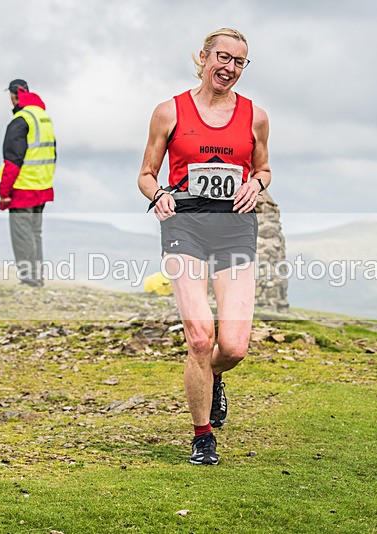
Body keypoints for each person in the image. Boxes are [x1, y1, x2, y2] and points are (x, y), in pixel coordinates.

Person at [137, 28, 271, 465]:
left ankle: (211, 377)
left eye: (239, 62)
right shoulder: (168, 112)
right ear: (203, 57)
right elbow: (145, 174)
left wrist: (255, 182)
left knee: (231, 346)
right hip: (186, 227)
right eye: (223, 57)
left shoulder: (255, 116)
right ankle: (202, 436)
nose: (229, 68)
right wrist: (158, 195)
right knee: (200, 336)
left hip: (234, 228)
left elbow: (265, 168)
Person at [0, 79, 57, 287]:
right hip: (42, 186)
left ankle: (30, 280)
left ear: (14, 97)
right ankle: (37, 278)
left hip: (23, 187)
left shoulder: (20, 121)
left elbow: (12, 161)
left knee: (22, 236)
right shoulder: (43, 117)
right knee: (35, 234)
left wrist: (4, 192)